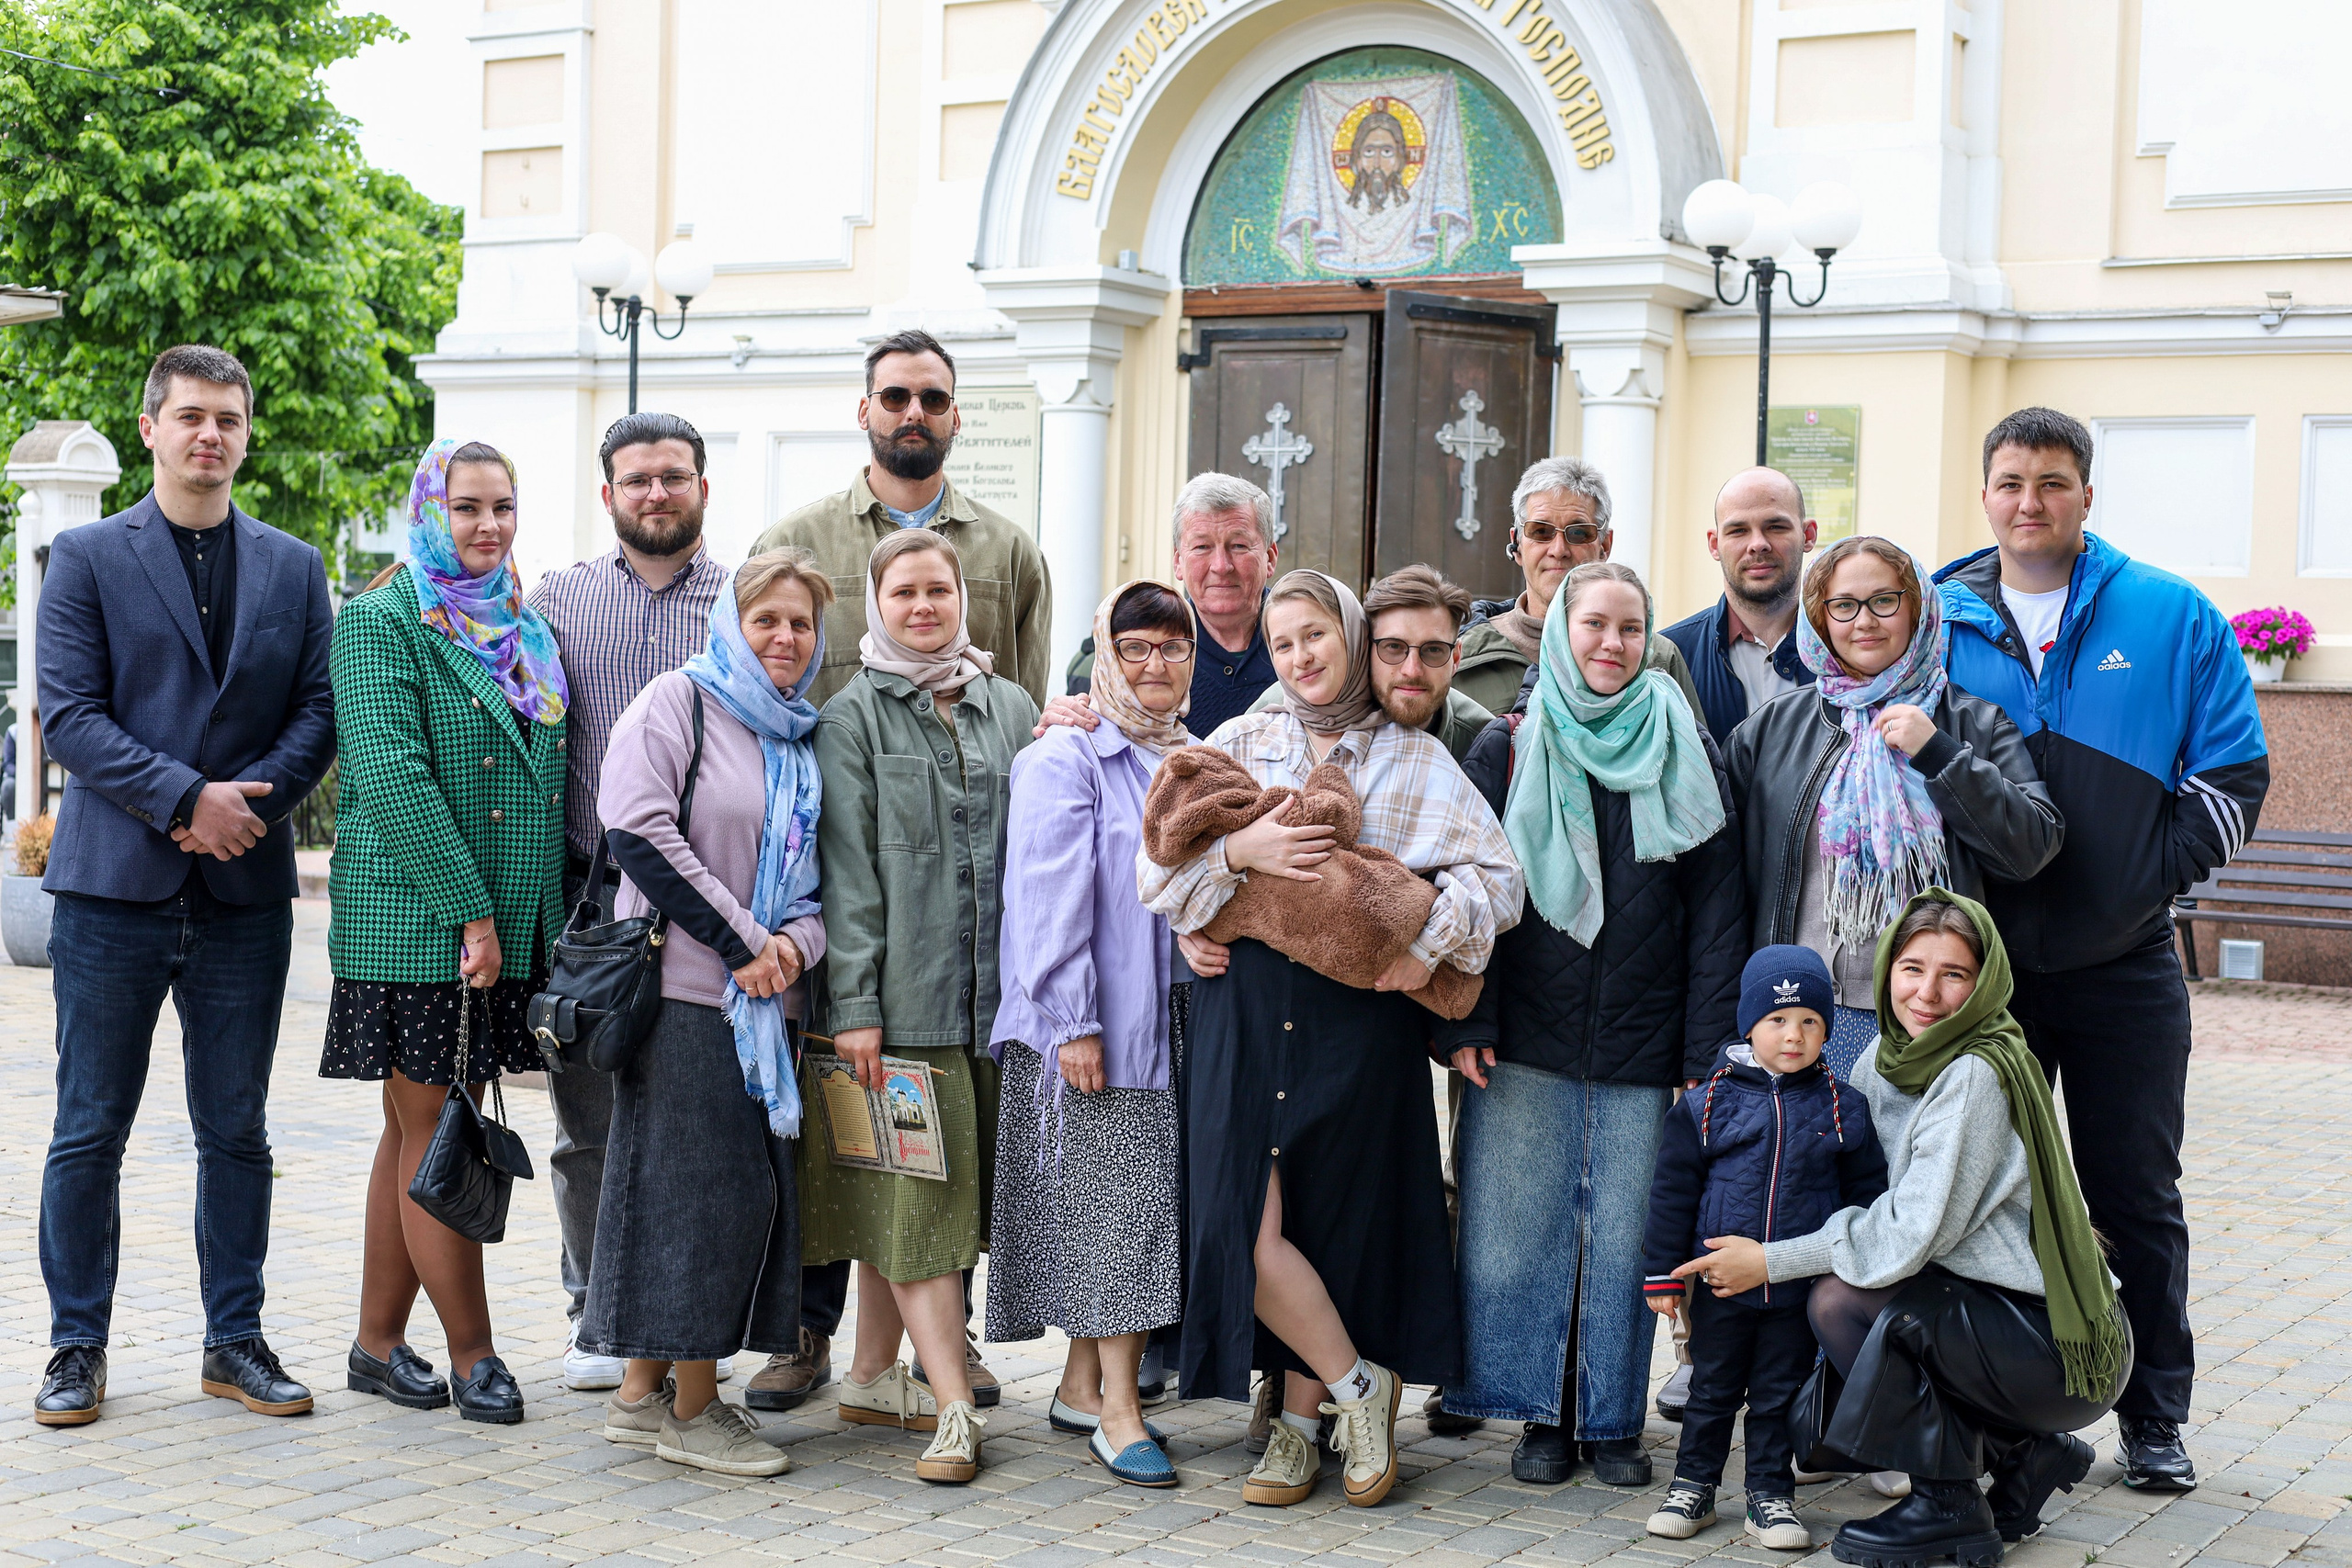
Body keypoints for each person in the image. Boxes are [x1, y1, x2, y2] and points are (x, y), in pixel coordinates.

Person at [1927, 409, 2267, 1490]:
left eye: (2054, 483)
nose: (2031, 502)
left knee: (2134, 1197)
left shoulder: (2168, 614)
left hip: (2124, 966)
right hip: (1986, 977)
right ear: (1985, 492)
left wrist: (2142, 880)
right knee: (1989, 1194)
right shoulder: (1934, 614)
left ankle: (2154, 1414)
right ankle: (2003, 1410)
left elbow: (2233, 774)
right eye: (2012, 482)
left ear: (2086, 496)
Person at [1142, 569, 1522, 1511]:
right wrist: (1239, 854)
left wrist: (1422, 949)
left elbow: (1499, 886)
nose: (1301, 657)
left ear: (1348, 637)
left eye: (1315, 634)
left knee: (1329, 1222)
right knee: (1241, 1221)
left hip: (1353, 1025)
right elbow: (1158, 882)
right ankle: (1362, 1386)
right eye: (1282, 643)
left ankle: (1300, 1430)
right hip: (1242, 1016)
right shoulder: (1235, 740)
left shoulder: (1412, 757)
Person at [34, 344, 336, 1427]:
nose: (213, 435)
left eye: (230, 420)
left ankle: (234, 1341)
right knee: (88, 1129)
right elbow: (68, 714)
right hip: (114, 891)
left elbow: (318, 708)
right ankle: (76, 1347)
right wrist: (182, 800)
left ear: (247, 435)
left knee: (238, 1129)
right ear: (153, 427)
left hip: (245, 896)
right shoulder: (83, 558)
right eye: (193, 417)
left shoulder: (296, 567)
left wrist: (243, 808)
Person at [1677, 891, 2134, 1563]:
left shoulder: (1977, 1071)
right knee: (1840, 1341)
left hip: (2055, 1344)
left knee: (1838, 1298)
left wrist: (1770, 1260)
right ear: (1886, 968)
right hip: (1993, 1321)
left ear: (1985, 984)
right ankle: (2022, 1454)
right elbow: (1846, 1195)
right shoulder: (1881, 1064)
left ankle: (1948, 1505)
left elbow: (1908, 1233)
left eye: (1955, 974)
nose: (1928, 992)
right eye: (1912, 967)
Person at [1442, 560, 1743, 1488]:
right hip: (1524, 1035)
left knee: (1620, 1243)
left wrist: (1703, 1054)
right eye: (1592, 625)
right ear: (1562, 632)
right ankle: (1540, 1416)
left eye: (1627, 627)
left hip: (1646, 1043)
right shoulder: (1509, 744)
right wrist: (1470, 1020)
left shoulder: (1684, 742)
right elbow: (1472, 888)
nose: (1610, 643)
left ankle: (1610, 1421)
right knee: (1518, 1236)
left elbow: (1717, 912)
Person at [323, 439, 568, 1425]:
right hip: (423, 923)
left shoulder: (523, 627)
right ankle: (474, 1355)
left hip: (502, 923)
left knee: (411, 1132)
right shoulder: (381, 622)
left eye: (503, 507)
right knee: (436, 1129)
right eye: (467, 508)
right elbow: (388, 778)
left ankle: (377, 1345)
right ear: (431, 509)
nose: (488, 527)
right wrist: (471, 911)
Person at [582, 548, 833, 1477]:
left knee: (694, 1197)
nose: (783, 636)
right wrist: (742, 943)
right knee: (705, 1201)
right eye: (766, 617)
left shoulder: (797, 739)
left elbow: (814, 893)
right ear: (732, 621)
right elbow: (636, 830)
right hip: (687, 998)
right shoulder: (678, 702)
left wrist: (790, 951)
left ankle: (641, 1393)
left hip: (767, 1004)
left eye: (801, 623)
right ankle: (697, 1411)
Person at [808, 529, 1041, 1484]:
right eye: (902, 591)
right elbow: (848, 875)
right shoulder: (850, 717)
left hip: (996, 1006)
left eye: (937, 589)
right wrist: (855, 1002)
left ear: (962, 599)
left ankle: (868, 1375)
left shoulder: (1011, 706)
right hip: (900, 1012)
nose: (922, 606)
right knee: (920, 1209)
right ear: (876, 602)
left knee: (930, 1206)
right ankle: (951, 1403)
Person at [524, 411, 730, 1396]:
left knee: (697, 1121)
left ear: (702, 486)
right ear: (608, 493)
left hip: (712, 902)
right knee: (589, 1120)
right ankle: (594, 1314)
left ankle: (699, 1320)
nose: (657, 493)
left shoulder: (740, 603)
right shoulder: (557, 599)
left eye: (674, 477)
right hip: (592, 900)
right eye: (638, 479)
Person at [986, 580, 1193, 1489]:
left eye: (1173, 647)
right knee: (1119, 1225)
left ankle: (1079, 1385)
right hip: (1093, 1029)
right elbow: (1045, 897)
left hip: (1167, 1021)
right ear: (1105, 655)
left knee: (1134, 1218)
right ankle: (1118, 1413)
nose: (1155, 664)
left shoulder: (1190, 753)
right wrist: (1072, 1019)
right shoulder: (1066, 757)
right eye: (1137, 646)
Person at [1725, 535, 2062, 1080]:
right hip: (1801, 1020)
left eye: (1885, 600)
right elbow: (1723, 882)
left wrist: (1939, 754)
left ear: (1918, 607)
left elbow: (2033, 848)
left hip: (1930, 1021)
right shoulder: (1772, 730)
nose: (1865, 621)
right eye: (1843, 605)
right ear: (1820, 616)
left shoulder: (1972, 724)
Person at [1640, 947, 1887, 1550]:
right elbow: (1672, 1195)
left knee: (1778, 1396)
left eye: (1810, 1020)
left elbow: (1867, 1197)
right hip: (1724, 1286)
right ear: (1749, 1023)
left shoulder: (1842, 1106)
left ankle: (1771, 1496)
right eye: (1778, 1020)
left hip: (1796, 1290)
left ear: (1828, 1027)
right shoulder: (1707, 1104)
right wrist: (1663, 1278)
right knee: (1712, 1390)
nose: (1794, 1035)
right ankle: (1692, 1484)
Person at [758, 328, 1052, 707]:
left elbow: (1028, 709)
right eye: (895, 397)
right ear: (865, 412)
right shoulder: (792, 545)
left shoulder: (1013, 553)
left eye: (934, 399)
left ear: (955, 418)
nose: (915, 412)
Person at [1455, 457, 1699, 719]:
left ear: (1605, 546)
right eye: (1541, 531)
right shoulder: (1461, 656)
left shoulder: (1658, 659)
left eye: (1579, 533)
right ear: (1517, 544)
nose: (1559, 550)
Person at [1057, 471, 1283, 739]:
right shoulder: (1123, 658)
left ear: (1269, 557)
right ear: (1178, 561)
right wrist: (1061, 723)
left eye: (1239, 545)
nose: (1221, 566)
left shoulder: (1307, 647)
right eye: (1202, 547)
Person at [1247, 564, 1492, 762]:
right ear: (1364, 645)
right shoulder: (1277, 708)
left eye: (1433, 650)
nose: (1412, 670)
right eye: (1393, 648)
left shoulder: (1482, 741)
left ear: (1456, 658)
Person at [1663, 468, 1820, 745]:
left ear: (1808, 535)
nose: (1758, 544)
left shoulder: (1847, 649)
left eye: (1775, 527)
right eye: (1738, 531)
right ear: (1715, 544)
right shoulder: (1671, 658)